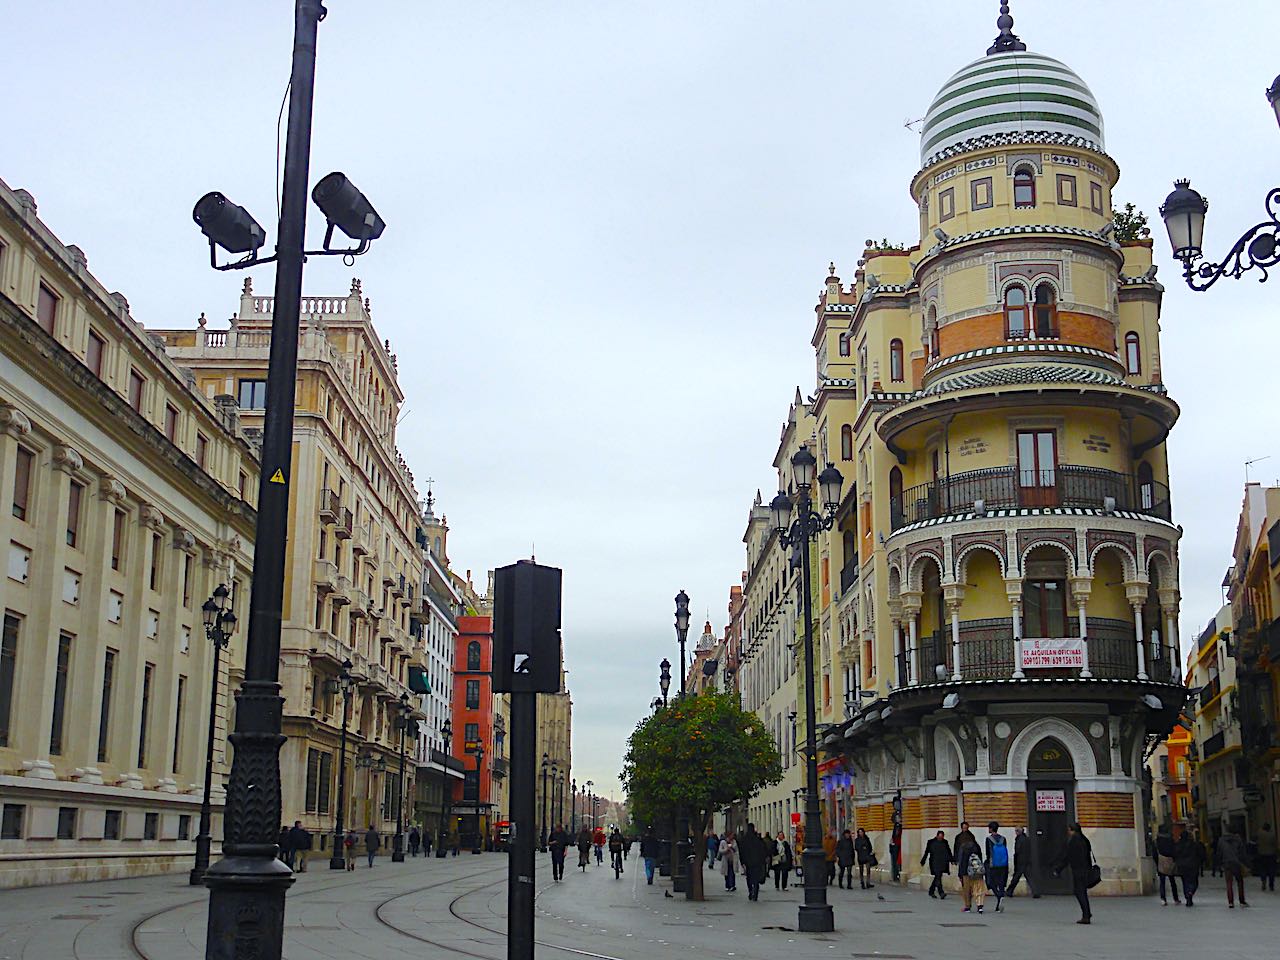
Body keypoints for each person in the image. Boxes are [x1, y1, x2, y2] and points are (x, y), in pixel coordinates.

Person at [1050, 822, 1093, 924]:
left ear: (1072, 830)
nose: (1068, 832)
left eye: (1069, 830)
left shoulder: (1074, 841)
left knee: (1079, 892)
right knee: (1082, 892)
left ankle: (1086, 915)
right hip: (1085, 869)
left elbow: (1068, 857)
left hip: (1078, 870)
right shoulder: (1084, 839)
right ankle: (1087, 912)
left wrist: (1058, 869)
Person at [1218, 826, 1250, 908]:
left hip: (1226, 862)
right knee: (1240, 881)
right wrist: (1246, 863)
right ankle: (1242, 901)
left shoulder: (1221, 840)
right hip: (1237, 863)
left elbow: (1219, 853)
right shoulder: (1238, 840)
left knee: (1229, 883)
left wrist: (1220, 863)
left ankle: (1230, 902)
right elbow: (1242, 853)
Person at [956, 831, 986, 913]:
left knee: (967, 889)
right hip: (977, 871)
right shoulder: (976, 846)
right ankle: (980, 906)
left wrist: (960, 874)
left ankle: (968, 906)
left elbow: (961, 861)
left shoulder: (963, 847)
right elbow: (980, 858)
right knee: (979, 888)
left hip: (966, 872)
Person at [1173, 827, 1202, 907]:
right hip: (1193, 866)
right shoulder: (1194, 845)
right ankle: (1190, 892)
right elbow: (1200, 854)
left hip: (1182, 866)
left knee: (1185, 882)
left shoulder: (1178, 845)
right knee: (1194, 882)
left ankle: (1188, 896)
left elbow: (1175, 855)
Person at [739, 823, 768, 901]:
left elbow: (741, 851)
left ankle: (750, 891)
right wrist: (762, 860)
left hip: (748, 863)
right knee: (756, 879)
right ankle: (755, 893)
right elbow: (763, 851)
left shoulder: (744, 840)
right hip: (757, 863)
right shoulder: (758, 839)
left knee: (749, 878)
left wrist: (742, 862)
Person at [984, 821, 1009, 911]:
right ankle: (999, 901)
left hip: (993, 864)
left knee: (991, 883)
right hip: (1003, 864)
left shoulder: (989, 839)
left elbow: (988, 853)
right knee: (1001, 883)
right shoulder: (1003, 839)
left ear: (991, 829)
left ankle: (999, 896)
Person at [921, 830, 952, 899]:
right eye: (939, 837)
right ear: (937, 835)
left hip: (942, 862)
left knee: (938, 877)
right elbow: (926, 852)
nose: (941, 838)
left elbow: (948, 851)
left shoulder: (945, 842)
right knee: (938, 877)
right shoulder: (931, 842)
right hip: (934, 862)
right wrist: (923, 860)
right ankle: (941, 892)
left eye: (942, 837)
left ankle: (931, 891)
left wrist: (952, 860)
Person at [1154, 825, 1180, 905]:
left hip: (1161, 860)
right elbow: (1175, 850)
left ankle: (1163, 899)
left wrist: (1156, 863)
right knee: (1172, 881)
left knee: (1162, 882)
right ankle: (1175, 899)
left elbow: (1154, 853)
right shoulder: (1170, 839)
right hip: (1170, 860)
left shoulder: (1156, 841)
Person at [1007, 826, 1036, 898]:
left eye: (1016, 831)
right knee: (1029, 877)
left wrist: (1015, 860)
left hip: (1020, 861)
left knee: (1016, 877)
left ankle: (1009, 891)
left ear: (1018, 832)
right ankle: (1035, 891)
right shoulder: (1027, 839)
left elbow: (1017, 851)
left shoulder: (1019, 839)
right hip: (1027, 860)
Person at [952, 821, 976, 894]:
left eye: (966, 827)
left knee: (969, 873)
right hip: (961, 858)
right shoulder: (958, 837)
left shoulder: (971, 836)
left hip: (969, 859)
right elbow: (956, 848)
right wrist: (955, 858)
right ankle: (965, 887)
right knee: (961, 874)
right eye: (963, 827)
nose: (965, 829)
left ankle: (969, 888)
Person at [1256, 822, 1277, 892]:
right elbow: (1275, 844)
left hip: (1262, 854)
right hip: (1271, 854)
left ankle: (1263, 882)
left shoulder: (1260, 834)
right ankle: (1271, 884)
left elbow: (1257, 840)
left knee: (1263, 869)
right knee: (1271, 869)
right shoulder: (1272, 835)